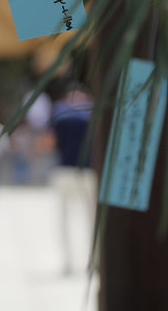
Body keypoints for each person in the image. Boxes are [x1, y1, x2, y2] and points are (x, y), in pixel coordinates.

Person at [49, 82, 96, 275]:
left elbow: (50, 141)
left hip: (66, 171)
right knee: (90, 220)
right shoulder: (92, 115)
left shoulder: (60, 115)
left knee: (66, 219)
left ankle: (69, 262)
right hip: (86, 172)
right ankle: (92, 261)